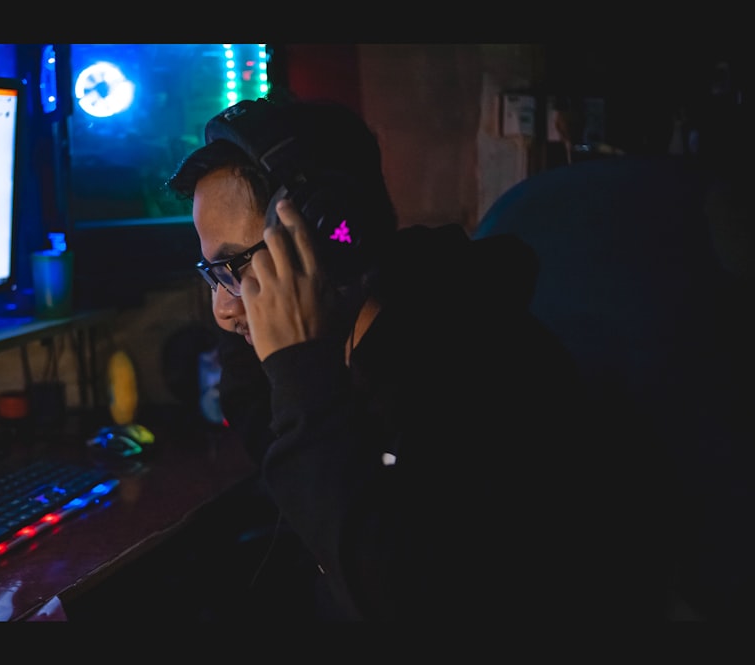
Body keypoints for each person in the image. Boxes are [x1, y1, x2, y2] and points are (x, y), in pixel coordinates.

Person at [167, 96, 662, 620]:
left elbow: (402, 602)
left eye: (232, 267)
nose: (221, 310)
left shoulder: (482, 375)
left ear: (322, 236)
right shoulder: (341, 337)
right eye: (211, 272)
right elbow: (247, 396)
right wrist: (265, 323)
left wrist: (302, 372)